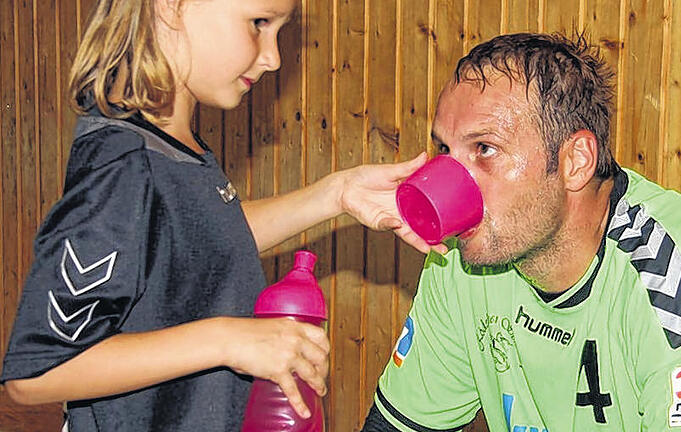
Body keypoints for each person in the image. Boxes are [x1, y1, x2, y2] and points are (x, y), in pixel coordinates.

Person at [0, 1, 440, 431]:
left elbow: (196, 240)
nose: (272, 57)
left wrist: (336, 195)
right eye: (258, 23)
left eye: (278, 31)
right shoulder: (123, 164)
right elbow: (38, 372)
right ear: (170, 7)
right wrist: (228, 340)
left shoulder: (173, 146)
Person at [362, 32, 681, 431]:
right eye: (446, 151)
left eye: (484, 149)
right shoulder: (462, 259)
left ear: (575, 161)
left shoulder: (680, 295)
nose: (451, 180)